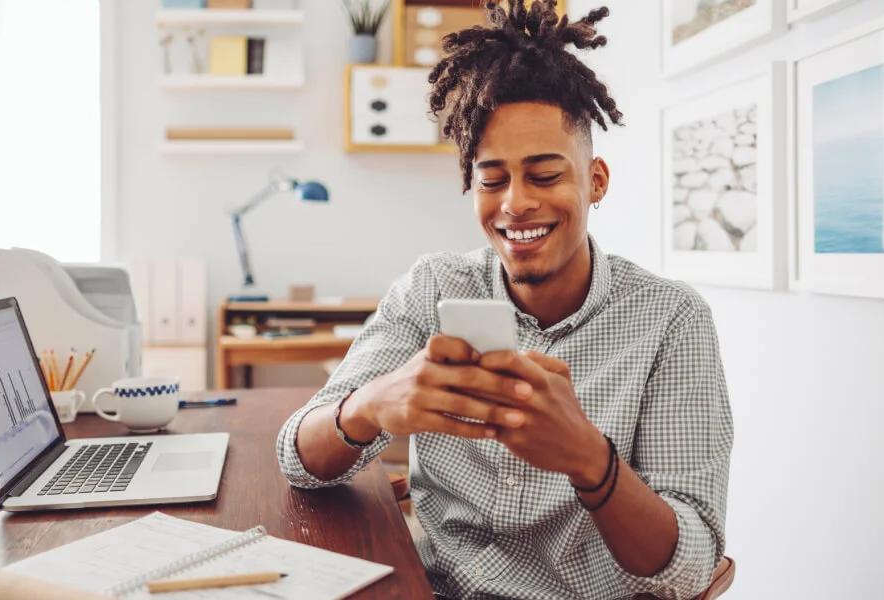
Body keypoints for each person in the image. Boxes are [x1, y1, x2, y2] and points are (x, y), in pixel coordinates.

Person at [275, 1, 733, 598]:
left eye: (544, 176)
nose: (515, 203)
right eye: (492, 179)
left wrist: (591, 461)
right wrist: (369, 406)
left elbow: (693, 561)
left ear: (595, 180)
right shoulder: (432, 288)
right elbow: (295, 455)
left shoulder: (671, 322)